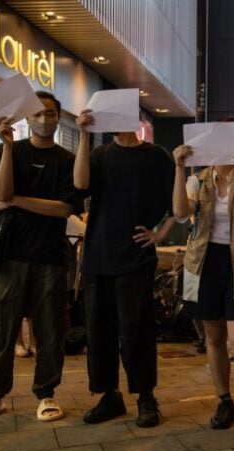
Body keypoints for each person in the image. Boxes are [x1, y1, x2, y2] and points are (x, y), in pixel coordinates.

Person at [0, 91, 75, 423]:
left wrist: (17, 202)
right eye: (38, 114)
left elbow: (64, 209)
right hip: (6, 256)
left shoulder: (66, 161)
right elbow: (1, 192)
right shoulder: (5, 150)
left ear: (58, 117)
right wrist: (9, 146)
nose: (44, 119)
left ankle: (46, 395)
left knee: (51, 329)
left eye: (51, 113)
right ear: (27, 118)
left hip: (50, 257)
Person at [74, 108, 175, 428]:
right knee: (99, 330)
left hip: (135, 258)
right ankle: (109, 396)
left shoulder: (156, 156)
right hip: (98, 255)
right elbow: (79, 185)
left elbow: (179, 200)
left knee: (137, 330)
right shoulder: (100, 155)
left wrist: (160, 232)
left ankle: (146, 396)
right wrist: (83, 135)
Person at [173, 117, 234, 433]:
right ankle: (224, 400)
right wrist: (178, 168)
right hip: (204, 261)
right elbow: (180, 214)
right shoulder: (198, 180)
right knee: (214, 336)